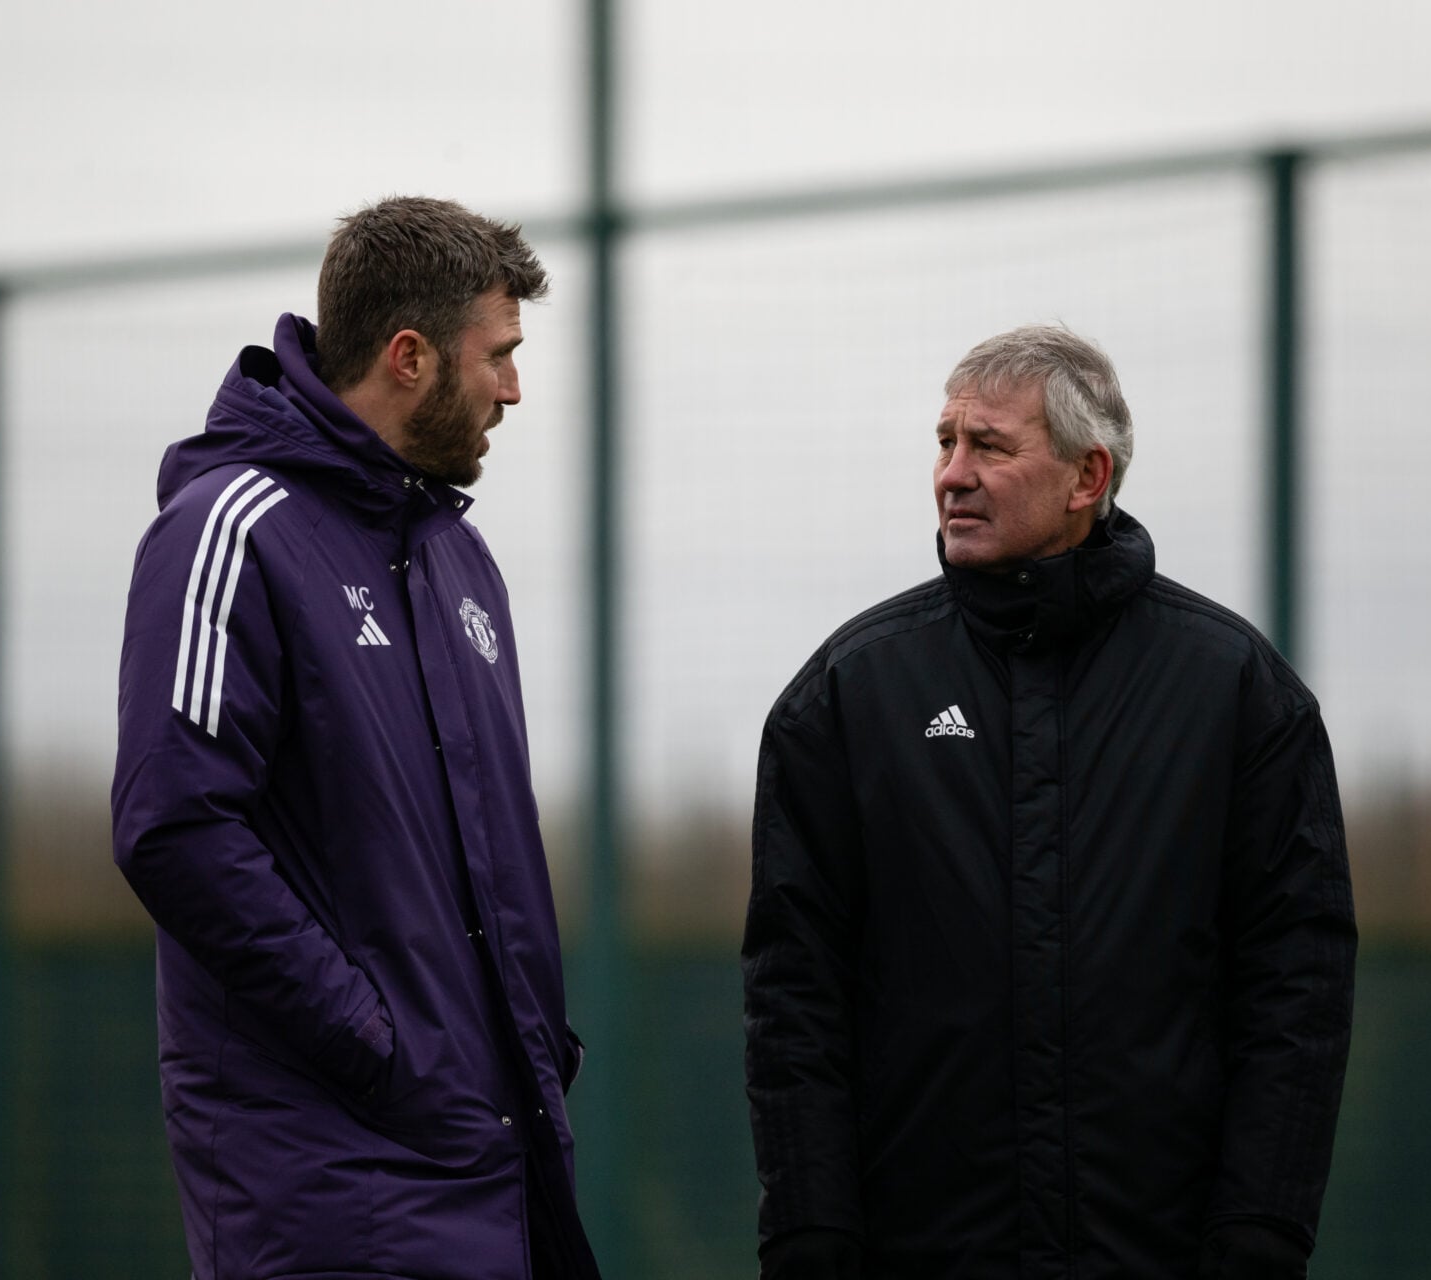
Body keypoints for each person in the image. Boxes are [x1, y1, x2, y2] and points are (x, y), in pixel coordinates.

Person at [743, 325, 1356, 1280]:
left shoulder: (1235, 690)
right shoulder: (849, 692)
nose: (952, 474)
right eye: (945, 442)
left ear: (1087, 476)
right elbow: (793, 989)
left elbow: (1298, 980)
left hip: (1162, 1250)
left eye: (989, 446)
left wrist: (1263, 1224)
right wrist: (808, 1227)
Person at [112, 196, 600, 1280]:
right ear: (410, 356)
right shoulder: (227, 530)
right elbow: (173, 827)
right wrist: (376, 1043)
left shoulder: (456, 557)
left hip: (492, 1172)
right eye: (500, 356)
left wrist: (531, 1048)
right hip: (329, 1189)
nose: (515, 389)